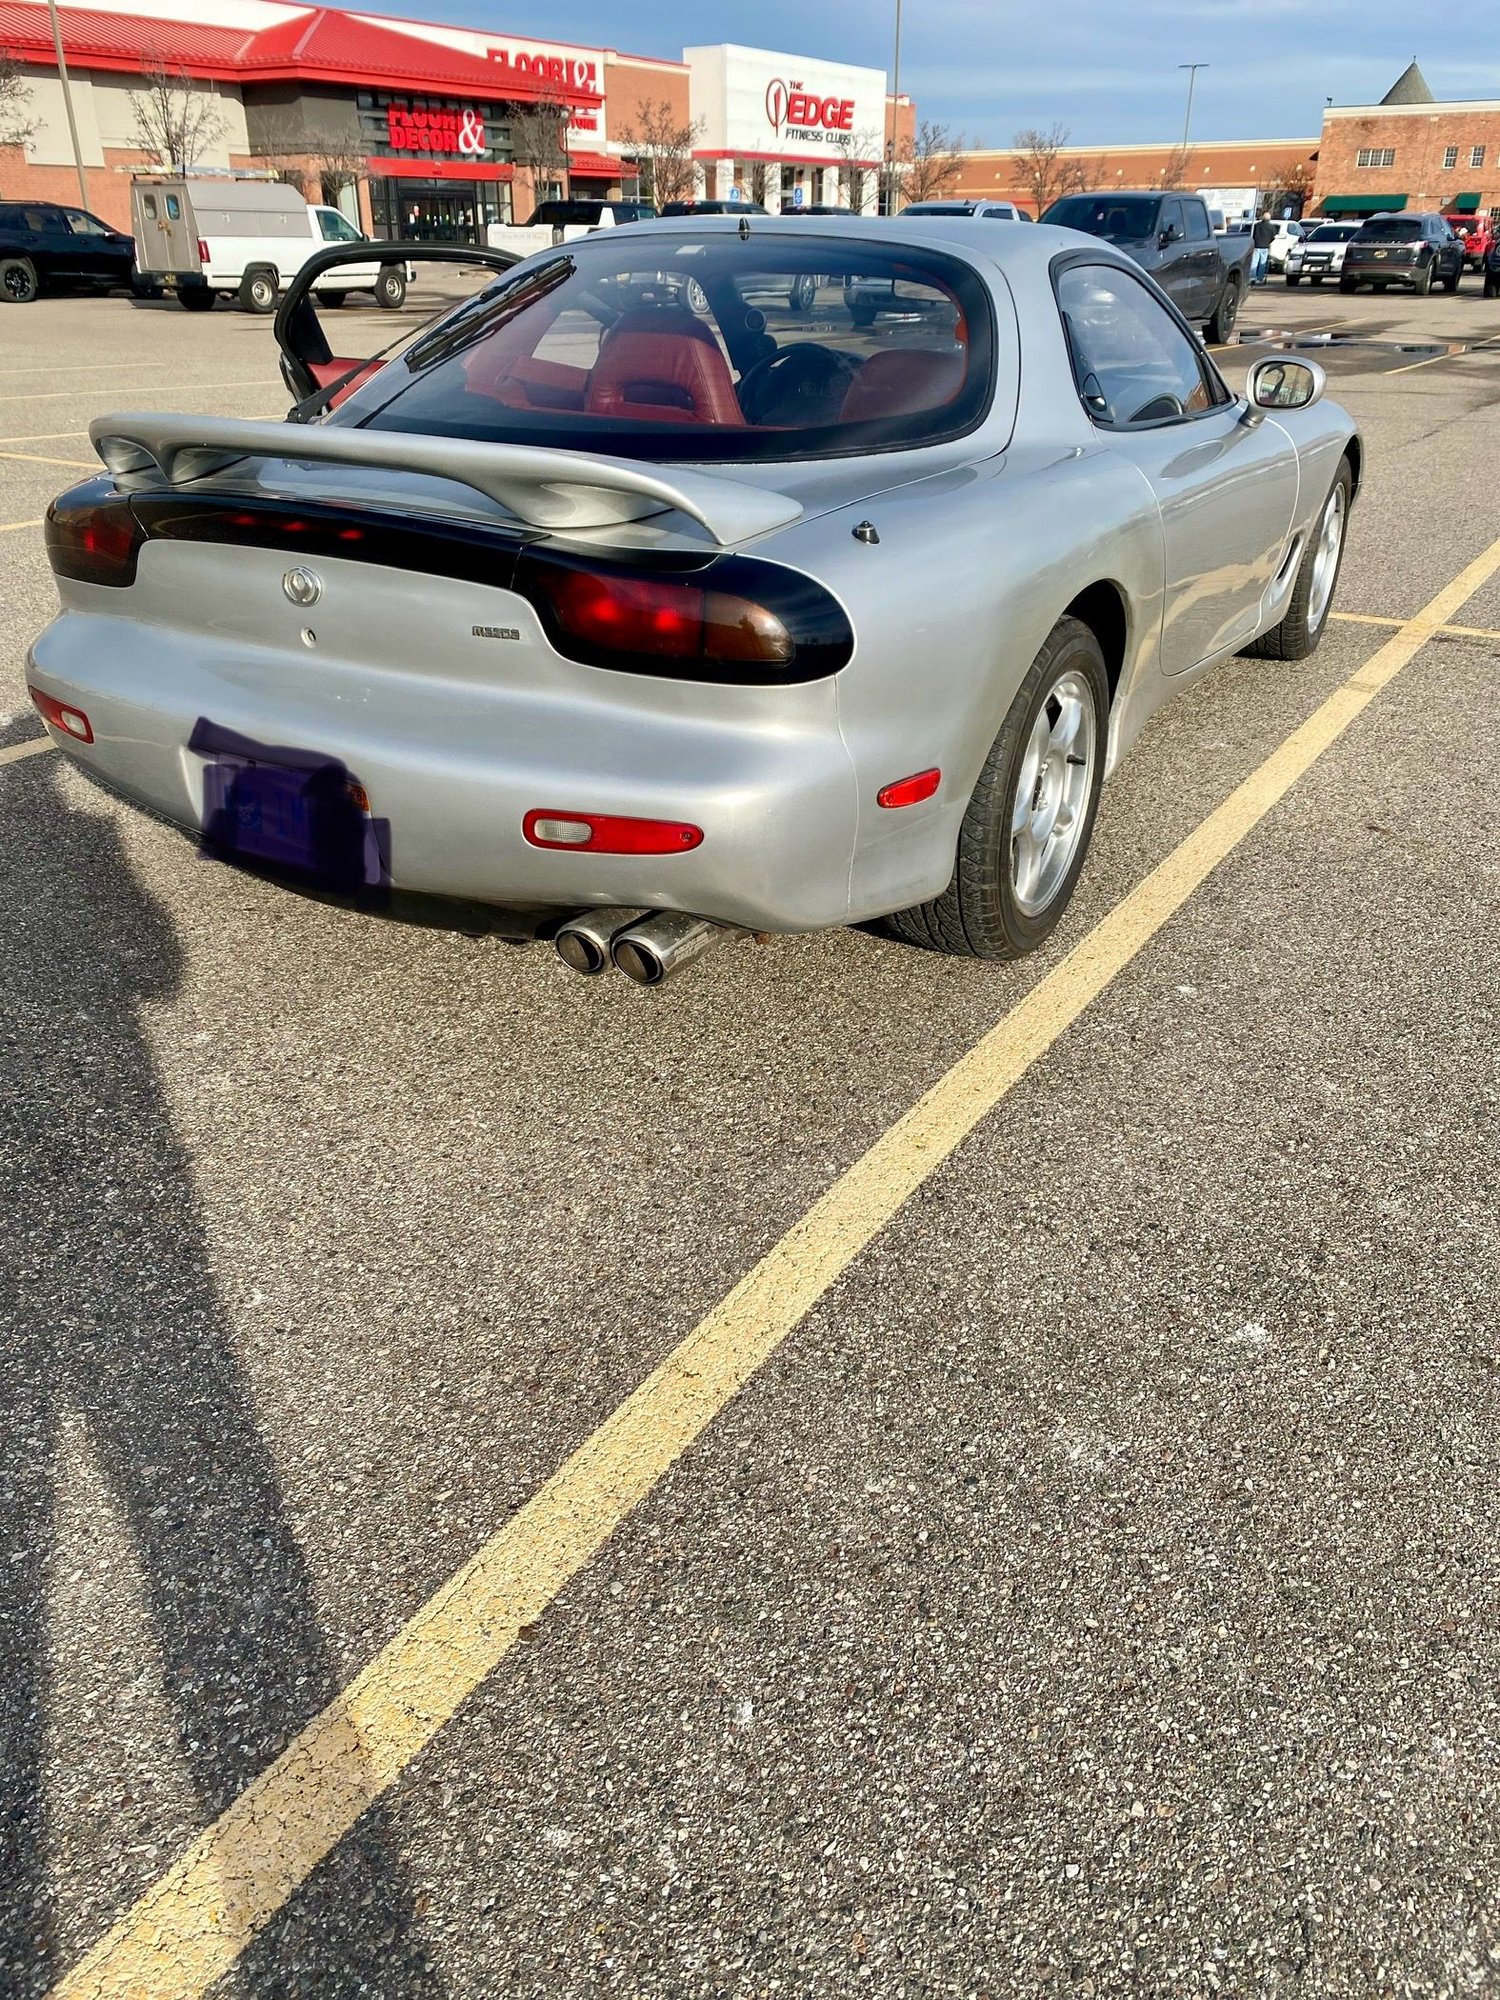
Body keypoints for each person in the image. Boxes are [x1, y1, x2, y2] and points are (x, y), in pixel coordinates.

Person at [1251, 212, 1276, 286]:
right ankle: (1259, 278)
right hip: (1265, 246)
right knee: (1262, 263)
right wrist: (1268, 242)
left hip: (1257, 245)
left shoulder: (1257, 226)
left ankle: (1252, 277)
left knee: (1254, 262)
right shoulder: (1272, 227)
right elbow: (1273, 237)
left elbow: (1253, 235)